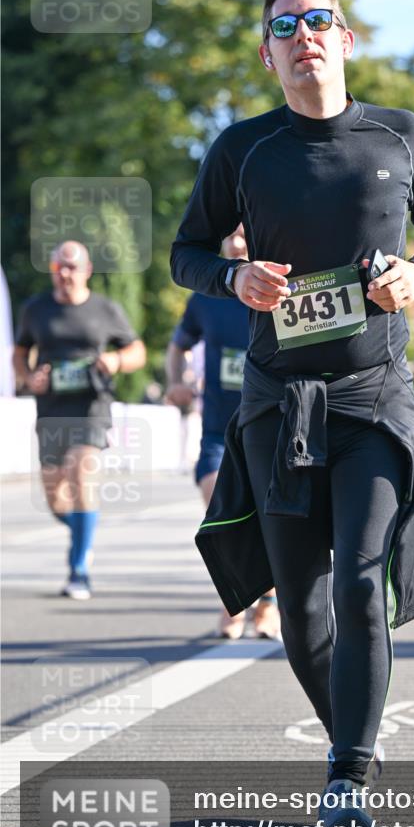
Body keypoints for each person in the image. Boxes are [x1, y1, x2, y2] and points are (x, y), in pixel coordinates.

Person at [170, 0, 414, 827]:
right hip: (275, 405)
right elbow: (184, 252)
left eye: (320, 19)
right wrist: (233, 278)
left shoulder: (399, 134)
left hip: (372, 395)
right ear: (268, 54)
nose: (305, 34)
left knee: (356, 582)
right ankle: (352, 744)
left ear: (346, 37)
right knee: (298, 612)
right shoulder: (242, 150)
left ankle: (347, 780)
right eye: (286, 24)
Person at [13, 241, 146, 599]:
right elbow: (20, 353)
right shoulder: (35, 310)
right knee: (56, 497)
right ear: (53, 270)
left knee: (82, 472)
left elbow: (137, 351)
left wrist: (117, 362)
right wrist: (28, 379)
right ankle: (81, 531)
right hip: (51, 409)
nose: (66, 274)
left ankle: (79, 570)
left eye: (73, 267)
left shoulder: (105, 309)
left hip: (92, 406)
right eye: (60, 267)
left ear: (87, 270)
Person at [166, 225, 280, 639]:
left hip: (269, 427)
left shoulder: (279, 293)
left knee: (267, 520)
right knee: (222, 508)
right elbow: (178, 346)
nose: (235, 244)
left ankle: (265, 604)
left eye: (245, 235)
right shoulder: (207, 297)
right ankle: (235, 600)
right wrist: (176, 381)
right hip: (217, 431)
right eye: (229, 236)